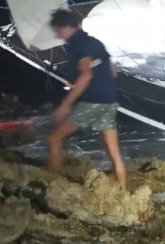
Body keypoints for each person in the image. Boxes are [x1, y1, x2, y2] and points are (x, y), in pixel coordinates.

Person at [46, 9, 127, 187]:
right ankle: (124, 193)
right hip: (110, 99)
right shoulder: (94, 42)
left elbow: (86, 75)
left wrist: (65, 105)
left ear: (67, 27)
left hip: (93, 101)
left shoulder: (78, 44)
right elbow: (112, 70)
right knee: (113, 153)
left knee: (54, 139)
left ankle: (53, 185)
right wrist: (75, 85)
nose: (56, 33)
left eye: (57, 29)